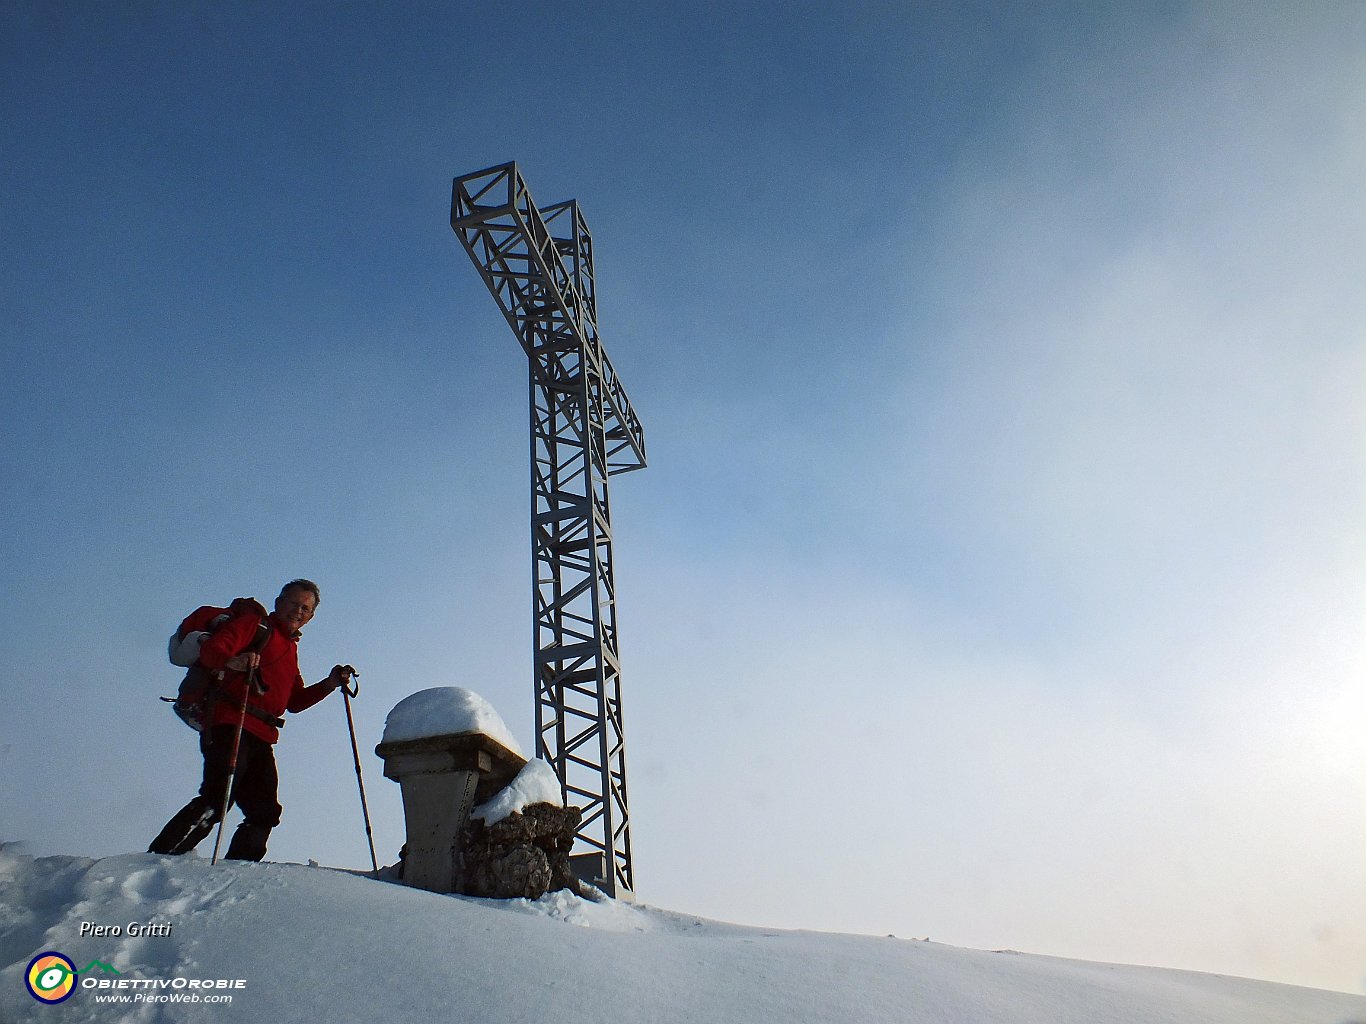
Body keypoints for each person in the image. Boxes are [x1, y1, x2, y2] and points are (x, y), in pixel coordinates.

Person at [149, 579, 353, 861]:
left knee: (265, 811)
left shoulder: (289, 648)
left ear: (311, 617)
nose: (298, 611)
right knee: (219, 796)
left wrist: (329, 684)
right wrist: (232, 661)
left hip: (262, 734)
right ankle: (162, 857)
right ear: (279, 603)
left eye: (305, 608)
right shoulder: (255, 627)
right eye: (294, 603)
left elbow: (293, 702)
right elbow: (212, 651)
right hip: (230, 722)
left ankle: (240, 872)